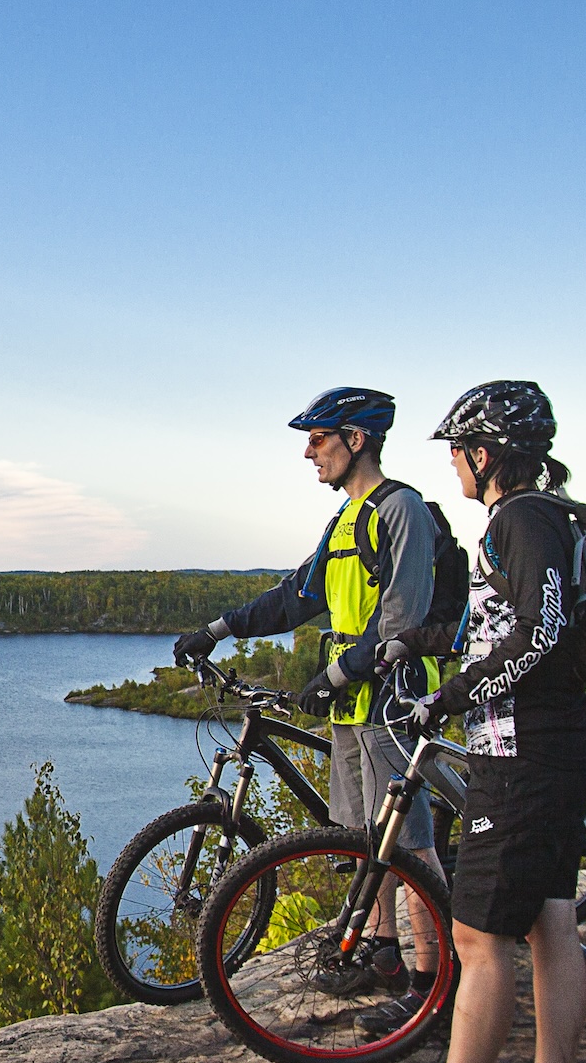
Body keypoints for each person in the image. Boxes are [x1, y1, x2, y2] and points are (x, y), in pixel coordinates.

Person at [360, 379, 586, 1063]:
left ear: (485, 454)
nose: (453, 466)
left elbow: (539, 633)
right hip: (557, 745)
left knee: (479, 935)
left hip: (521, 754)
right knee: (551, 920)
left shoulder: (520, 519)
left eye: (458, 451)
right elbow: (506, 631)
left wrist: (453, 696)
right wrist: (434, 653)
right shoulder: (538, 519)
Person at [172, 387, 447, 996]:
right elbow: (295, 597)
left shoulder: (402, 510)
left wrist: (339, 674)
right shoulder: (345, 519)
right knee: (358, 838)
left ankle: (432, 984)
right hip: (352, 702)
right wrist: (217, 630)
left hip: (392, 699)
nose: (307, 453)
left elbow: (403, 617)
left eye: (319, 439)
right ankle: (382, 952)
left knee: (408, 842)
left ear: (358, 440)